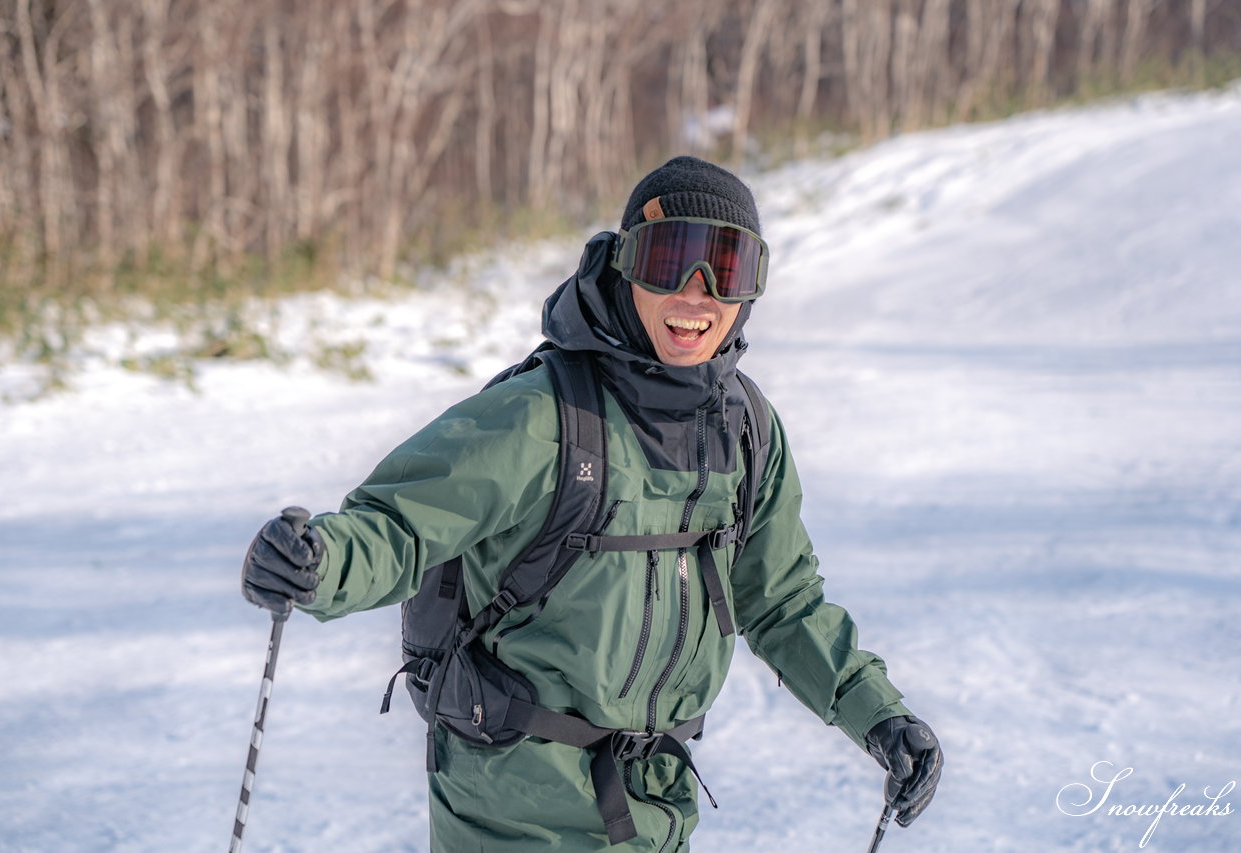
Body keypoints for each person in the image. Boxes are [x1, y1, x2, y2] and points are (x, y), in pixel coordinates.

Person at [241, 156, 942, 851]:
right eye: (671, 260)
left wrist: (877, 714)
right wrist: (316, 561)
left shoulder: (747, 431)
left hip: (653, 811)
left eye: (725, 269)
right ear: (626, 264)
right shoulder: (542, 414)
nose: (697, 295)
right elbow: (400, 525)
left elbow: (782, 601)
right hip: (512, 808)